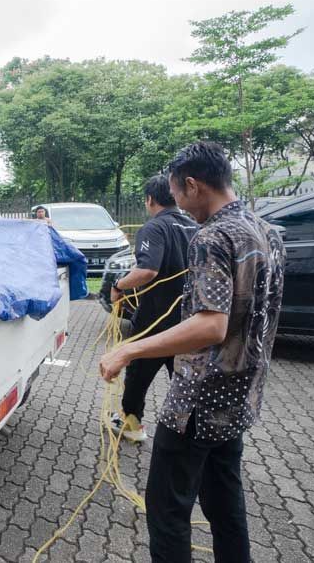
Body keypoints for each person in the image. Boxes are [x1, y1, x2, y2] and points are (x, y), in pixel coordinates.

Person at [99, 142, 284, 563]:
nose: (178, 203)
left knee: (167, 510)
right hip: (240, 397)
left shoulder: (213, 236)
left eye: (178, 193)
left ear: (193, 185)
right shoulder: (266, 231)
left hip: (197, 404)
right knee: (225, 504)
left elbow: (210, 325)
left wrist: (129, 349)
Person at [108, 175, 198, 442]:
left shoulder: (155, 227)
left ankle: (131, 425)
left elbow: (147, 270)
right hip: (188, 321)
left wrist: (118, 285)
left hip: (154, 321)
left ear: (150, 199)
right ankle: (189, 430)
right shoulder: (193, 226)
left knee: (137, 375)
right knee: (182, 378)